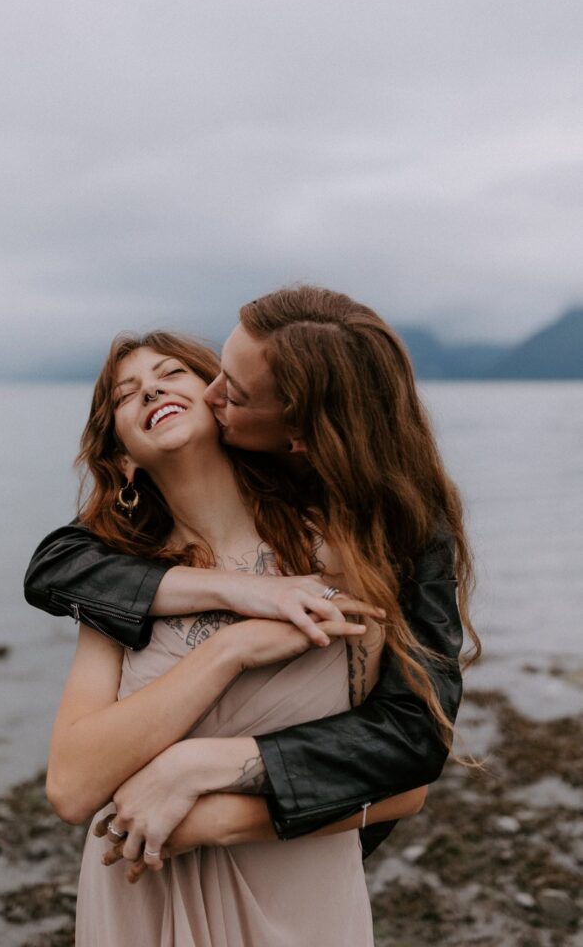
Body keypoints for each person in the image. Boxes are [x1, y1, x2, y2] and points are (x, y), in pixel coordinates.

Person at [26, 285, 478, 860]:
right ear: (121, 457)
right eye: (126, 394)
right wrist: (233, 633)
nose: (209, 392)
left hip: (293, 885)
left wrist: (208, 790)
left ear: (296, 434)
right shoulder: (115, 577)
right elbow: (51, 568)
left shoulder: (354, 550)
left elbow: (408, 757)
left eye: (222, 388)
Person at [47, 331, 426, 946]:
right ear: (123, 459)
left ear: (220, 402)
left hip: (297, 898)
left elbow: (404, 784)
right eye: (125, 394)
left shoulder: (337, 555)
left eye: (171, 372)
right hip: (143, 897)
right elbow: (70, 787)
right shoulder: (118, 590)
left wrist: (210, 808)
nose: (151, 388)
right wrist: (231, 650)